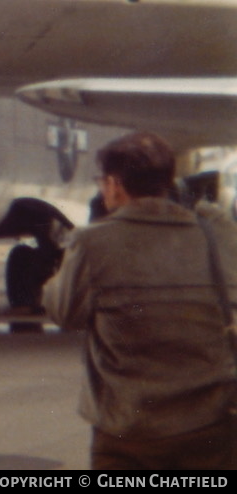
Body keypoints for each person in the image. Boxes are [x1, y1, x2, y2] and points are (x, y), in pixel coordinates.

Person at [44, 131, 237, 470]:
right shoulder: (212, 233)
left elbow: (63, 312)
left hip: (130, 431)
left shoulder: (93, 242)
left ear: (115, 184)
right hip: (210, 424)